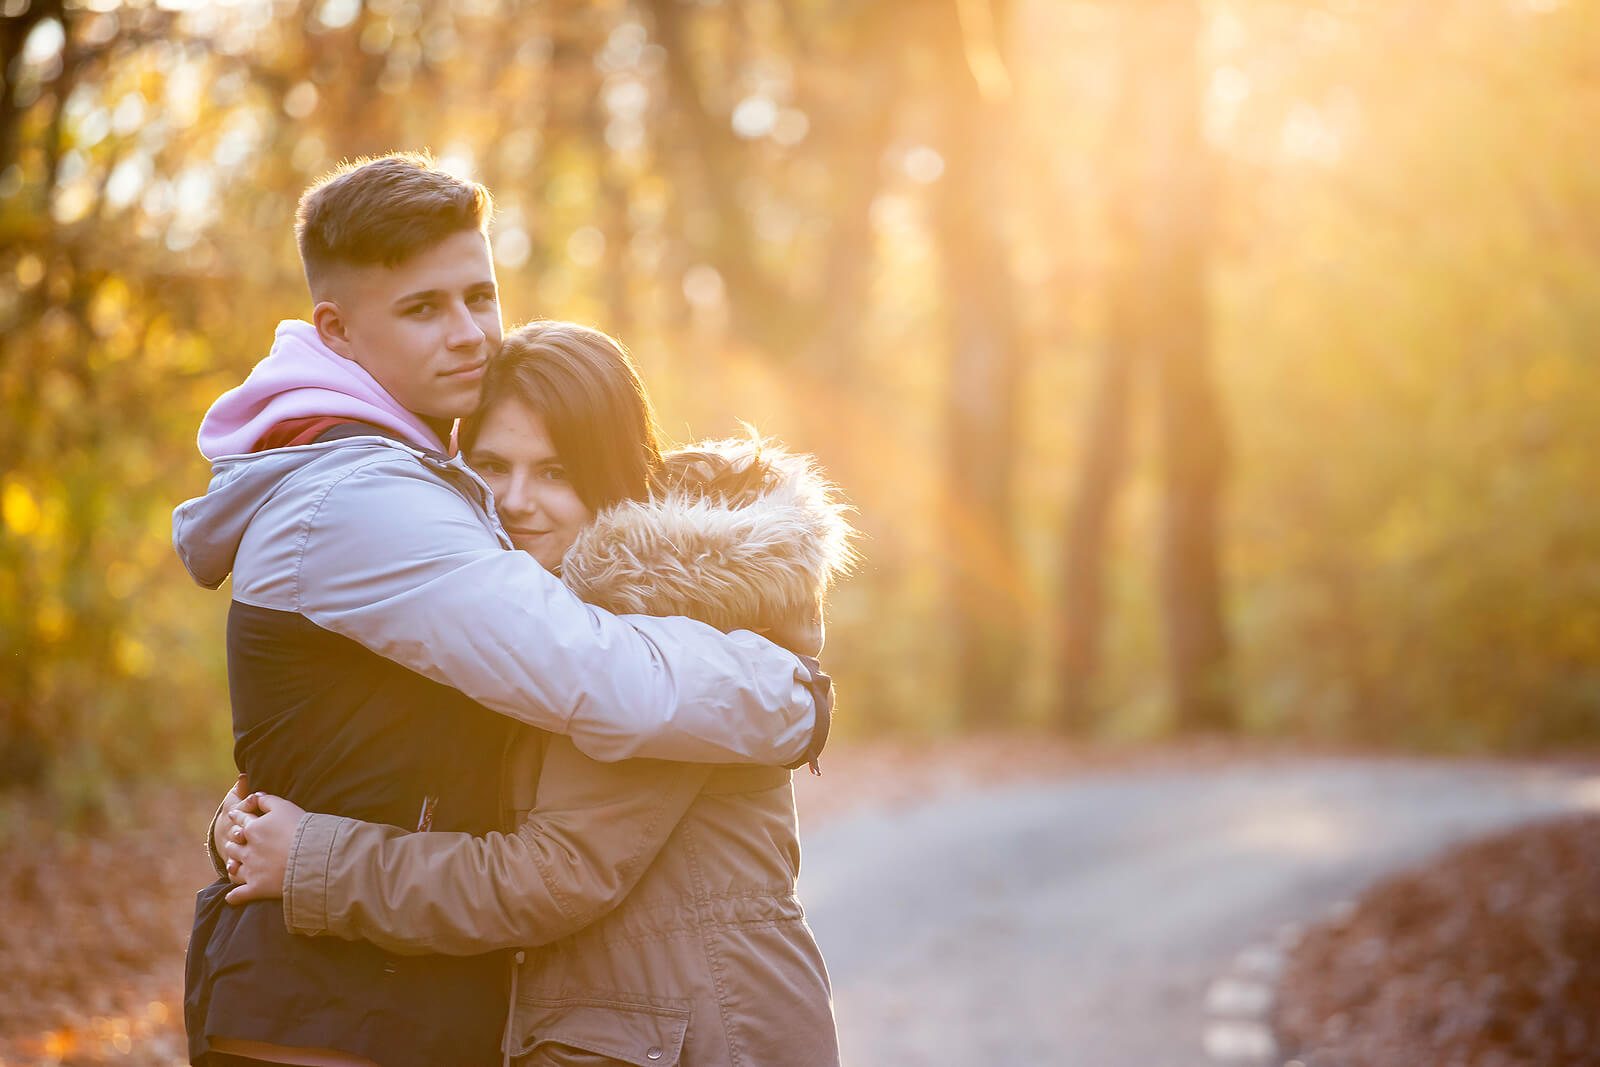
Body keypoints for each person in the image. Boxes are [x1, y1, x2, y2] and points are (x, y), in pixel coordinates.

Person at [175, 154, 831, 1067]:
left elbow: (553, 841)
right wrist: (788, 693)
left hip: (672, 1033)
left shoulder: (651, 595)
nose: (468, 334)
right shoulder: (376, 500)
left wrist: (792, 687)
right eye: (422, 307)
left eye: (479, 297)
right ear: (339, 329)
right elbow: (577, 696)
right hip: (356, 1006)